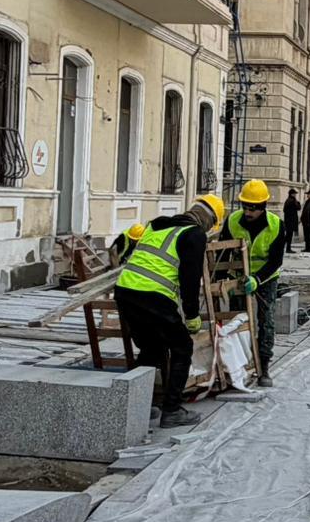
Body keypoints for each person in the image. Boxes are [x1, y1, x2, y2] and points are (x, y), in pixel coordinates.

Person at [114, 195, 224, 428]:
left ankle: (134, 407)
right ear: (210, 221)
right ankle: (172, 410)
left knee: (151, 348)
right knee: (182, 347)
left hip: (125, 291)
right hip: (153, 296)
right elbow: (190, 280)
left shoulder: (157, 224)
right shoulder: (194, 234)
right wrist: (192, 316)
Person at [222, 180, 286, 387]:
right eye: (245, 207)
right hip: (239, 277)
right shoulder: (232, 221)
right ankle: (239, 365)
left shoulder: (276, 225)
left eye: (253, 208)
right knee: (237, 321)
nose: (248, 212)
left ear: (263, 206)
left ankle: (264, 365)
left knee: (266, 320)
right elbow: (222, 252)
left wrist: (257, 279)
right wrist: (220, 280)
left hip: (266, 278)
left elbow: (276, 260)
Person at [282, 188, 300, 254]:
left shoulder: (287, 200)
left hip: (288, 221)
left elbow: (284, 210)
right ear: (292, 194)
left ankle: (284, 247)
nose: (295, 195)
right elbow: (298, 207)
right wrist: (298, 202)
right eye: (294, 194)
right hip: (291, 221)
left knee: (288, 235)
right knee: (289, 236)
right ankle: (287, 248)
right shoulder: (292, 201)